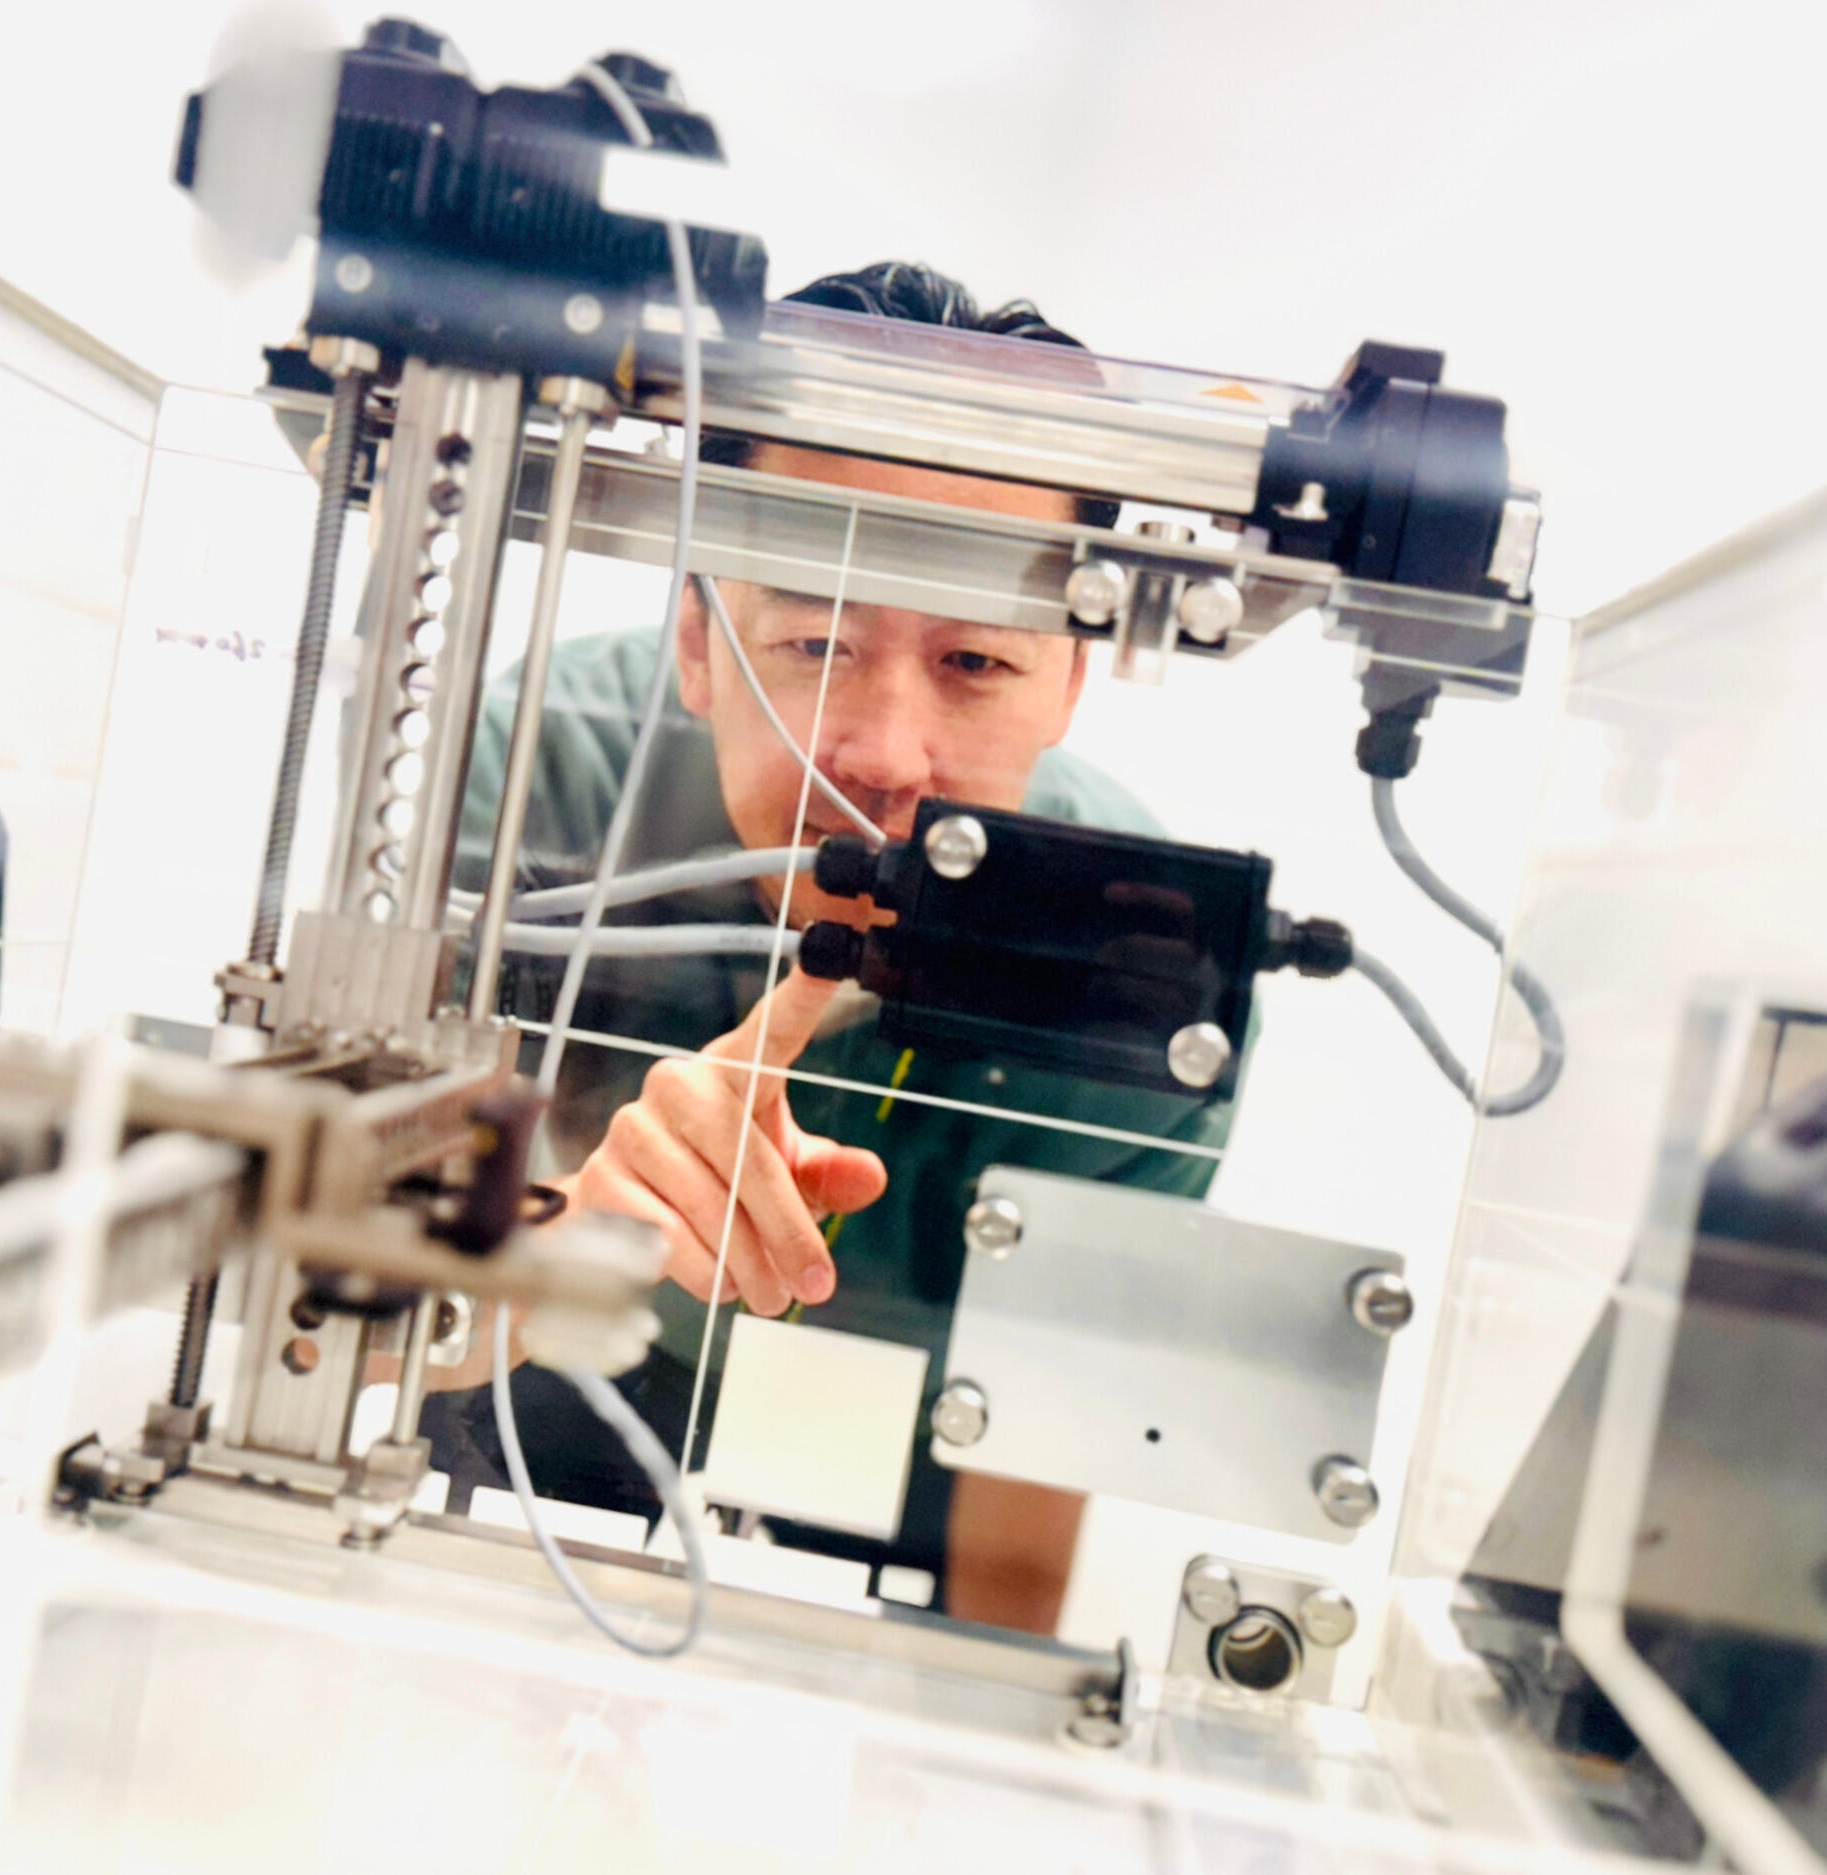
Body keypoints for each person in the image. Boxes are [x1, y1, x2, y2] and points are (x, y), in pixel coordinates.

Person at [424, 263, 1244, 1631]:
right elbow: (354, 1296)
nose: (887, 760)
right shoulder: (536, 776)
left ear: (1072, 680)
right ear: (697, 642)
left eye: (975, 663)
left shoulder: (1147, 960)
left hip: (898, 1450)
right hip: (529, 1362)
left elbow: (1033, 1457)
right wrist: (584, 1227)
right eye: (814, 644)